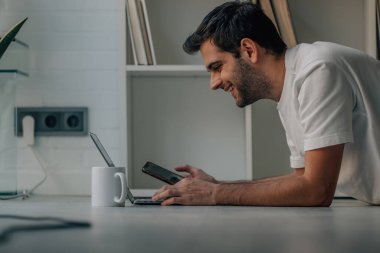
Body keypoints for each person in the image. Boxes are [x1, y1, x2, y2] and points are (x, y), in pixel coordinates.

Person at [152, 1, 380, 206]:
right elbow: (301, 179)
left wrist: (215, 193)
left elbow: (316, 191)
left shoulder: (317, 69)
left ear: (249, 50)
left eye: (217, 67)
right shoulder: (290, 87)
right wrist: (217, 185)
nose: (214, 83)